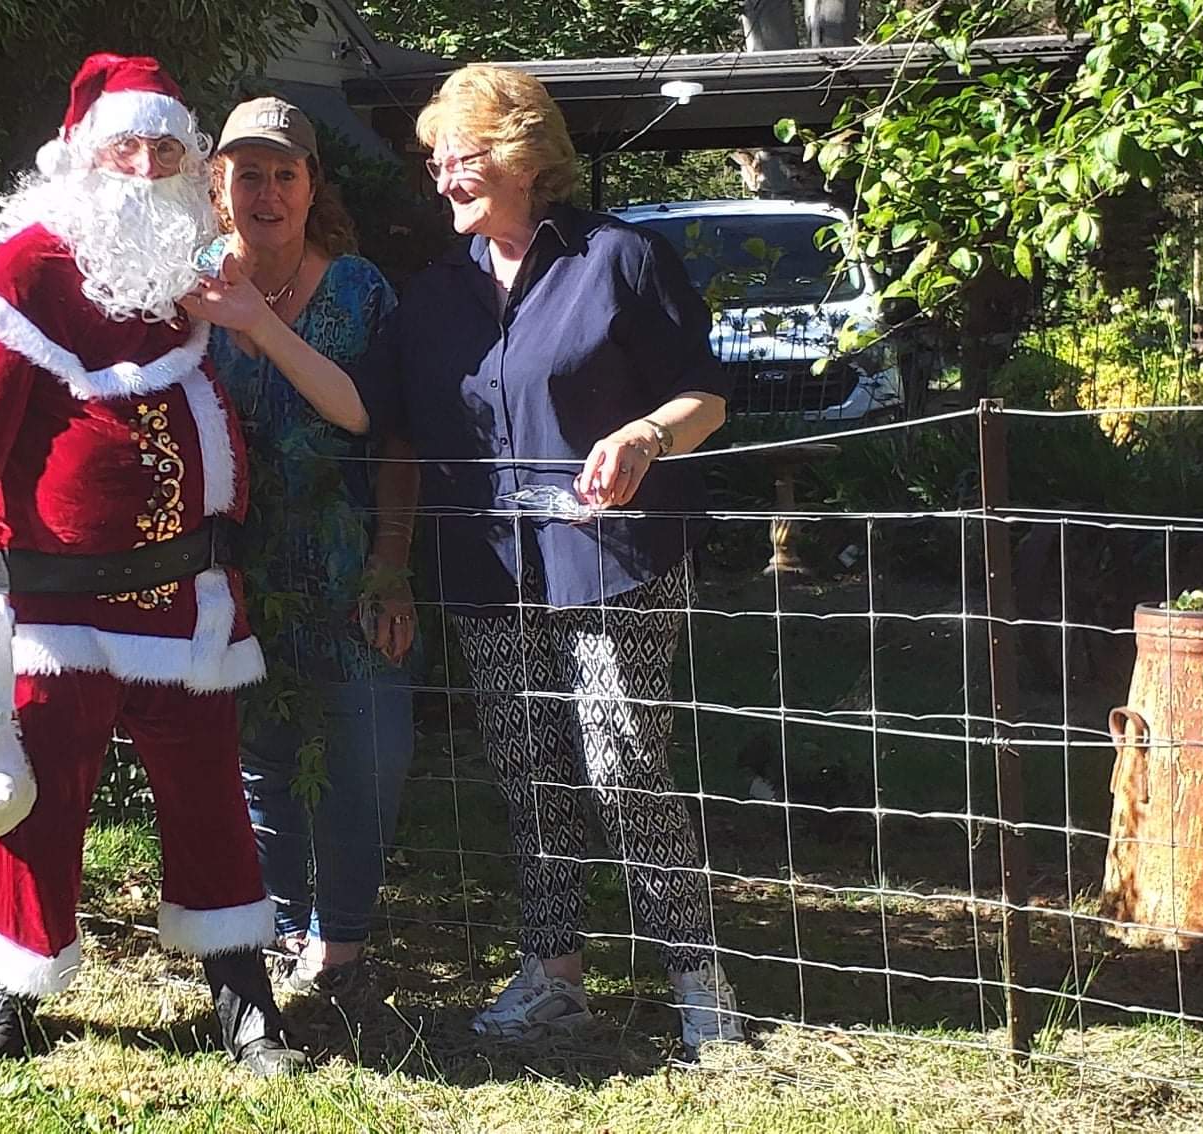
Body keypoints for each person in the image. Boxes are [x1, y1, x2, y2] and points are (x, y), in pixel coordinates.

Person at [186, 64, 744, 1056]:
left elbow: (705, 394)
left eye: (463, 156)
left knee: (621, 767)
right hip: (490, 571)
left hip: (611, 559)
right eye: (437, 160)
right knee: (528, 778)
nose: (443, 176)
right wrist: (393, 557)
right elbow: (382, 423)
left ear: (524, 156)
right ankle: (553, 978)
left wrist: (647, 435)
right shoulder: (435, 295)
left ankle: (699, 986)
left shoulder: (617, 258)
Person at [0, 53, 305, 1077]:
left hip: (183, 595)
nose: (146, 165)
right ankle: (11, 989)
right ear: (82, 157)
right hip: (57, 602)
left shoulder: (189, 275)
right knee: (39, 799)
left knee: (209, 798)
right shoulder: (24, 272)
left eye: (167, 149)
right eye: (127, 146)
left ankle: (242, 1000)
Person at [204, 97, 420, 1001]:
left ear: (310, 185)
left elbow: (387, 427)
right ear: (216, 185)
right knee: (261, 757)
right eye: (247, 174)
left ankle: (342, 939)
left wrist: (391, 565)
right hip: (231, 571)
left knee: (366, 754)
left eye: (283, 174)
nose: (266, 193)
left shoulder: (358, 290)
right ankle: (286, 928)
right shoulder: (187, 289)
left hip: (347, 564)